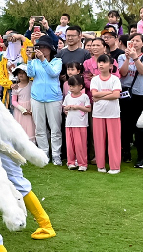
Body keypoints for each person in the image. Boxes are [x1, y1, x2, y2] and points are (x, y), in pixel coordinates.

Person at [27, 37, 63, 165]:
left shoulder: (57, 61)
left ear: (50, 49)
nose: (41, 49)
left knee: (55, 128)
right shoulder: (35, 62)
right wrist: (30, 59)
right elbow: (30, 74)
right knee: (39, 128)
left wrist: (43, 60)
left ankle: (56, 155)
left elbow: (53, 73)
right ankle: (44, 154)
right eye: (39, 47)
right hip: (37, 97)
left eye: (44, 47)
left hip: (54, 98)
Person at [118, 33, 143, 163]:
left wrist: (135, 58)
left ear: (142, 43)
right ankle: (126, 152)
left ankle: (141, 154)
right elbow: (123, 73)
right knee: (125, 125)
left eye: (137, 41)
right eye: (132, 40)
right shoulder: (121, 56)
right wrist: (127, 59)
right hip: (125, 94)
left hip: (140, 94)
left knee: (139, 124)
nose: (135, 43)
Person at [90, 54, 122, 174]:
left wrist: (101, 94)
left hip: (113, 114)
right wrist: (109, 93)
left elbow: (116, 95)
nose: (101, 65)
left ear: (110, 66)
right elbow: (94, 94)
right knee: (99, 140)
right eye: (99, 62)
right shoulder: (95, 79)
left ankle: (115, 166)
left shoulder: (115, 79)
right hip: (98, 114)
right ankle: (101, 165)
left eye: (104, 62)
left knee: (114, 141)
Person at [63, 75, 91, 171]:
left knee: (80, 145)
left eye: (73, 86)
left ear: (80, 86)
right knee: (70, 145)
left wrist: (78, 107)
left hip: (81, 124)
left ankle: (82, 163)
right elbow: (64, 108)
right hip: (69, 124)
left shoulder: (84, 96)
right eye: (70, 86)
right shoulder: (67, 97)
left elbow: (89, 109)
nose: (71, 88)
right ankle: (71, 162)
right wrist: (67, 108)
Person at [11, 64, 35, 143]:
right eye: (19, 73)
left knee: (31, 128)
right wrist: (22, 109)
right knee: (21, 128)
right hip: (20, 111)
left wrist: (31, 109)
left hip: (31, 108)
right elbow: (14, 101)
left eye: (23, 73)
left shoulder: (32, 85)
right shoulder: (16, 87)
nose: (21, 75)